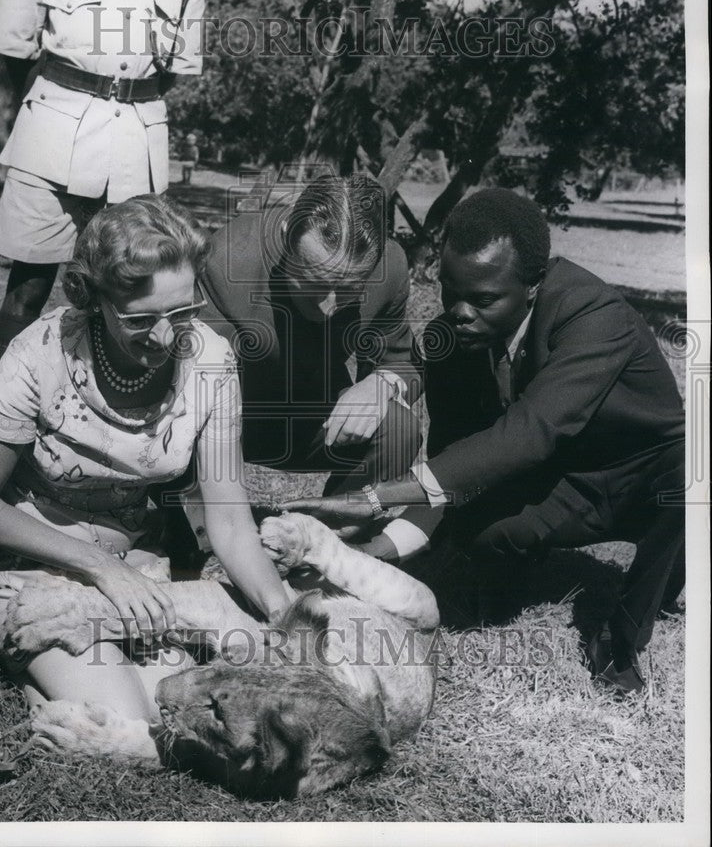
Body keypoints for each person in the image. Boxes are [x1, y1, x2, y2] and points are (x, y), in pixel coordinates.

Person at [285, 189, 685, 695]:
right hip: (565, 479)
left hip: (645, 476)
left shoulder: (593, 313)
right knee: (478, 531)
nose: (459, 311)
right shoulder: (452, 339)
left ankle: (622, 636)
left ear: (534, 285)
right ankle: (518, 565)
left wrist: (374, 497)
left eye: (483, 299)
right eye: (450, 291)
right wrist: (374, 551)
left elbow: (532, 432)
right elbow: (455, 466)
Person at [0, 195, 290, 726]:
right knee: (126, 722)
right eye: (140, 320)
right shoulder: (38, 354)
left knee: (175, 707)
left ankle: (41, 658)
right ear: (93, 297)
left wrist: (282, 611)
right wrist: (99, 567)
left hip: (129, 559)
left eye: (182, 312)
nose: (165, 337)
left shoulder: (211, 360)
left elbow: (228, 520)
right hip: (22, 558)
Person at [0, 0, 206, 363]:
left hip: (136, 145)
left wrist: (124, 96)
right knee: (30, 283)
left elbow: (174, 69)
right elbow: (12, 50)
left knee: (130, 285)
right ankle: (6, 410)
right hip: (51, 138)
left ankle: (108, 401)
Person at [158, 175, 424, 562]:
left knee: (400, 428)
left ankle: (331, 540)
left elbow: (402, 361)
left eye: (349, 289)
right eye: (314, 283)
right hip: (218, 423)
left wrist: (382, 383)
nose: (330, 306)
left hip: (312, 421)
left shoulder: (391, 266)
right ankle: (192, 542)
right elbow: (179, 392)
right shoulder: (225, 260)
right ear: (286, 236)